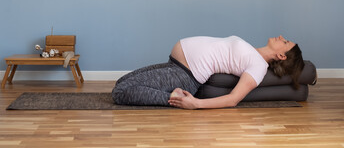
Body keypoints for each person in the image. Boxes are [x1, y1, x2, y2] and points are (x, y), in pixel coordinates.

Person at [111, 35, 304, 109]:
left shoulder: (258, 67)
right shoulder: (252, 52)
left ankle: (173, 98)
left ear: (281, 56)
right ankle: (171, 96)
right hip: (176, 65)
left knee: (119, 93)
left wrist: (195, 104)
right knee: (122, 82)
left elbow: (233, 99)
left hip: (186, 74)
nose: (281, 37)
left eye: (285, 42)